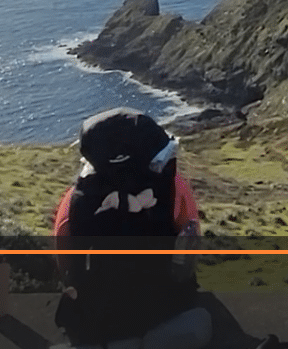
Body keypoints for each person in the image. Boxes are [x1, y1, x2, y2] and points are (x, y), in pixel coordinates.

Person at [52, 107, 211, 349]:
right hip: (165, 308)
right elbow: (190, 243)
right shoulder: (173, 187)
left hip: (101, 320)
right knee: (200, 323)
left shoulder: (77, 199)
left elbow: (65, 260)